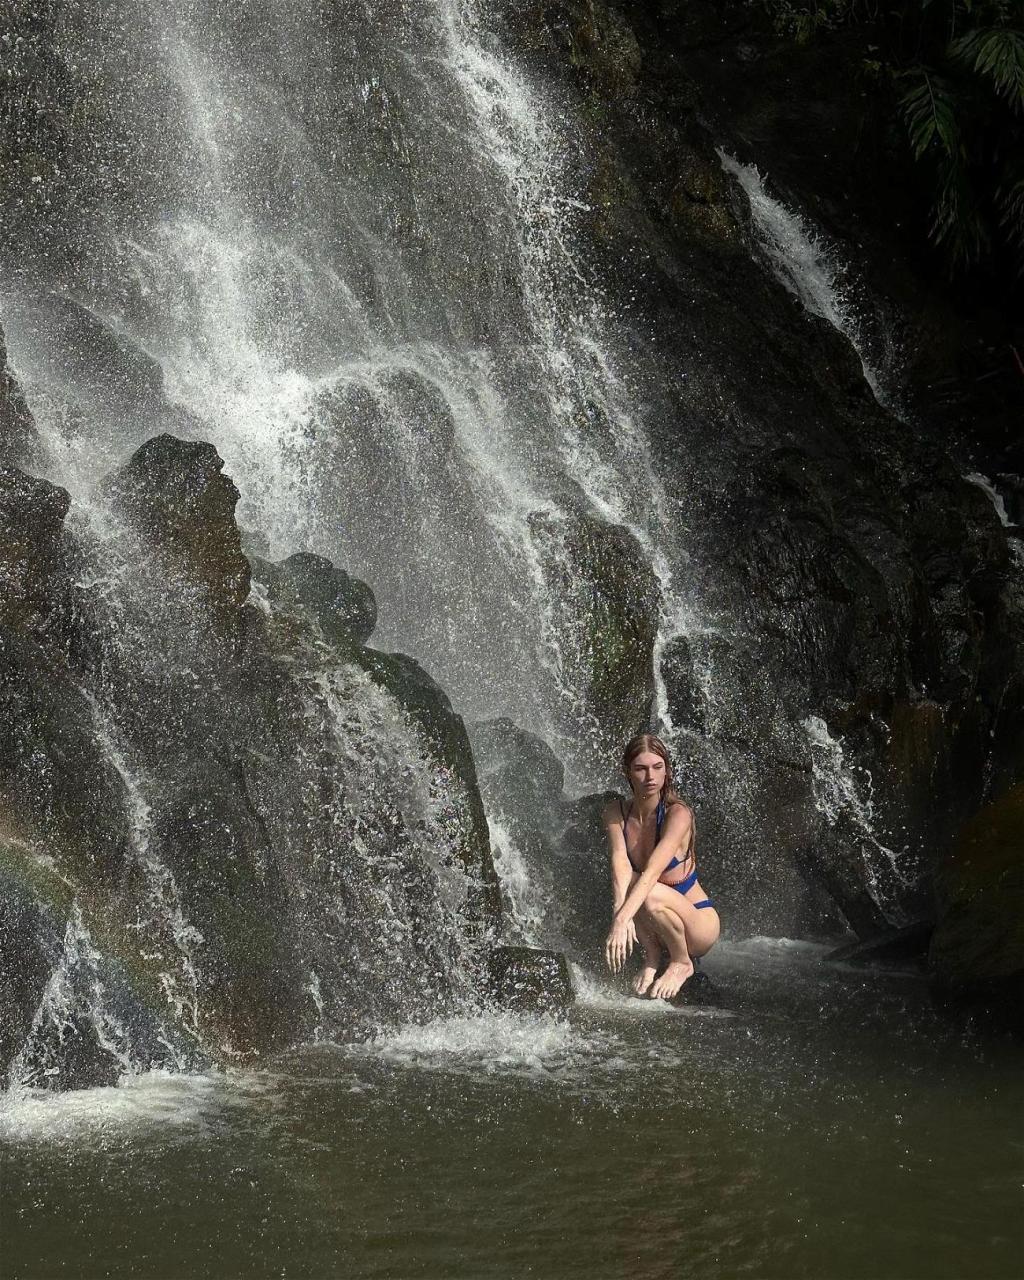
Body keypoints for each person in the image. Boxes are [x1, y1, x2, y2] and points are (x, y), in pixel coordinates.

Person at [603, 733, 720, 998]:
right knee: (628, 880)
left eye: (658, 767)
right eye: (641, 769)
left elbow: (653, 871)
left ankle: (682, 962)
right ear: (627, 771)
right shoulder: (616, 813)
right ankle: (653, 956)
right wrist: (618, 915)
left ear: (667, 770)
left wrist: (623, 919)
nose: (650, 777)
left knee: (648, 889)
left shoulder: (678, 814)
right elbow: (619, 862)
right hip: (658, 923)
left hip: (698, 924)